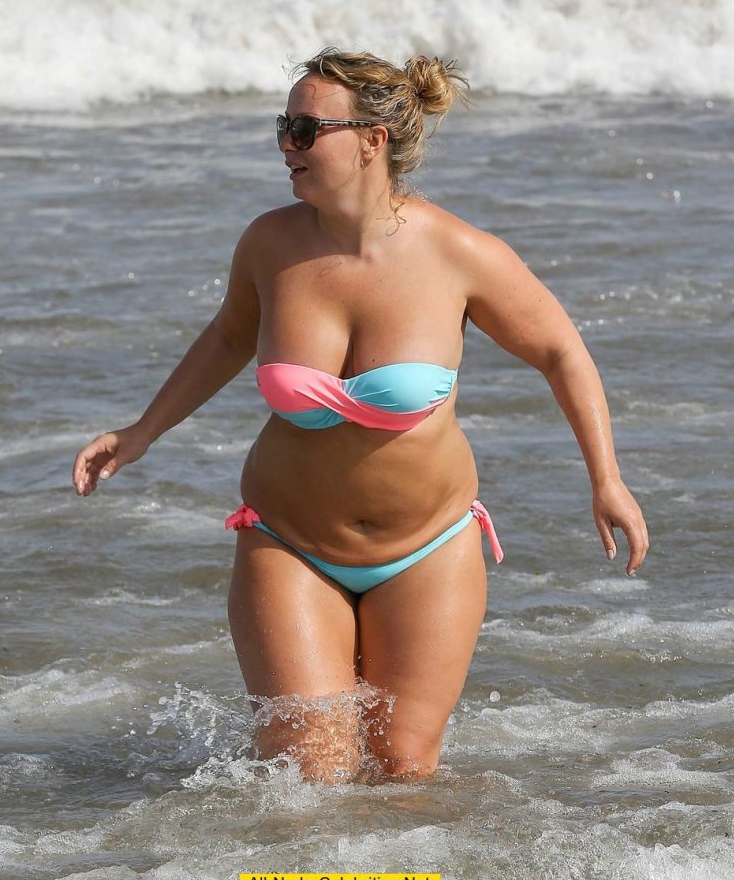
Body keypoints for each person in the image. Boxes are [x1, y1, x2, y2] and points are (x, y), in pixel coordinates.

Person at [73, 47, 649, 784]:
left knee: (404, 770)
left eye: (306, 128)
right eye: (283, 125)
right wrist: (141, 431)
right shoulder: (269, 245)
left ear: (371, 140)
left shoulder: (458, 253)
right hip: (290, 542)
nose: (286, 142)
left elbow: (562, 351)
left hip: (429, 545)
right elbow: (227, 337)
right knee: (309, 776)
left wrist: (607, 478)